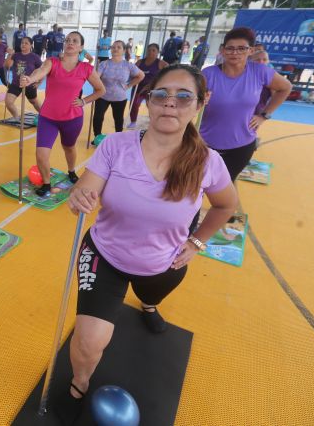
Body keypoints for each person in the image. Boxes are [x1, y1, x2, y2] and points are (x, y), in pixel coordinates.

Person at [65, 64, 237, 401]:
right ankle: (81, 382)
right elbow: (86, 189)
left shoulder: (208, 162)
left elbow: (226, 207)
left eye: (183, 96)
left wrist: (197, 241)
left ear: (199, 104)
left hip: (163, 264)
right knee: (88, 342)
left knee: (152, 296)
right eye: (162, 94)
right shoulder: (116, 145)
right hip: (105, 255)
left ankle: (148, 304)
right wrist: (79, 196)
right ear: (149, 101)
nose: (170, 103)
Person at [200, 27, 292, 181]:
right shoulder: (208, 74)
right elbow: (190, 102)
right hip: (205, 144)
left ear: (251, 51)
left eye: (241, 48)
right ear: (222, 50)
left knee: (227, 184)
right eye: (230, 48)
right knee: (196, 186)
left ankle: (227, 205)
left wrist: (264, 115)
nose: (235, 53)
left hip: (241, 145)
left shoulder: (260, 71)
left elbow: (286, 87)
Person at [20, 32, 105, 196]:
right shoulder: (53, 62)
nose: (70, 43)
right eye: (67, 40)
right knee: (41, 153)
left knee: (69, 147)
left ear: (81, 47)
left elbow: (101, 90)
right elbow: (41, 70)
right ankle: (46, 183)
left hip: (72, 118)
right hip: (48, 118)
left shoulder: (86, 68)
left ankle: (71, 170)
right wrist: (30, 79)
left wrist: (84, 101)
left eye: (75, 41)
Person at [92, 40, 144, 143]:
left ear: (124, 50)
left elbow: (141, 75)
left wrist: (129, 85)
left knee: (118, 119)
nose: (115, 49)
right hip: (103, 96)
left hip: (120, 97)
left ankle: (119, 138)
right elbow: (96, 77)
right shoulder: (104, 64)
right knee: (98, 117)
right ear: (110, 50)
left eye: (119, 47)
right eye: (113, 47)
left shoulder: (128, 65)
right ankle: (97, 137)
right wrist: (97, 84)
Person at [128, 43, 169, 128]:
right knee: (134, 105)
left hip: (153, 89)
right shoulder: (140, 62)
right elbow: (132, 73)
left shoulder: (161, 63)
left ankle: (155, 121)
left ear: (158, 52)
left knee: (154, 106)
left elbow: (169, 74)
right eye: (149, 50)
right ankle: (133, 121)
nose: (151, 52)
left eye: (153, 50)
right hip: (138, 88)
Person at [3, 37, 42, 119]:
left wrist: (39, 82)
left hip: (29, 84)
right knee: (8, 102)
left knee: (33, 101)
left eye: (26, 43)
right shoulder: (16, 55)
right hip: (16, 83)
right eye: (22, 43)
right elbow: (7, 65)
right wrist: (10, 54)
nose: (23, 44)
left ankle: (45, 116)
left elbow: (42, 70)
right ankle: (16, 118)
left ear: (31, 45)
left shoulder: (35, 57)